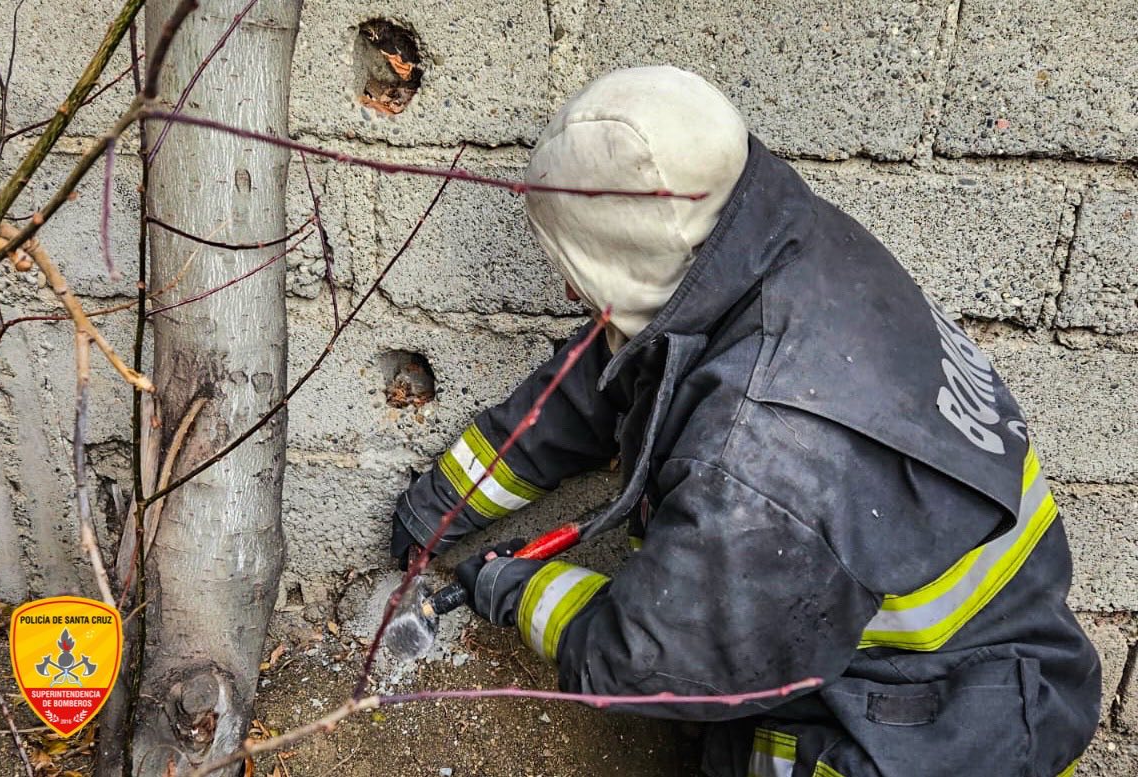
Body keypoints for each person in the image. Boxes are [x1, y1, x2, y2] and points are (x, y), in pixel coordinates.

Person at [388, 66, 1100, 777]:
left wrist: (517, 591)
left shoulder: (761, 460)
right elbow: (601, 380)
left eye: (579, 268)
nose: (572, 291)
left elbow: (645, 660)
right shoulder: (777, 248)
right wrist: (439, 506)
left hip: (934, 732)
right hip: (977, 655)